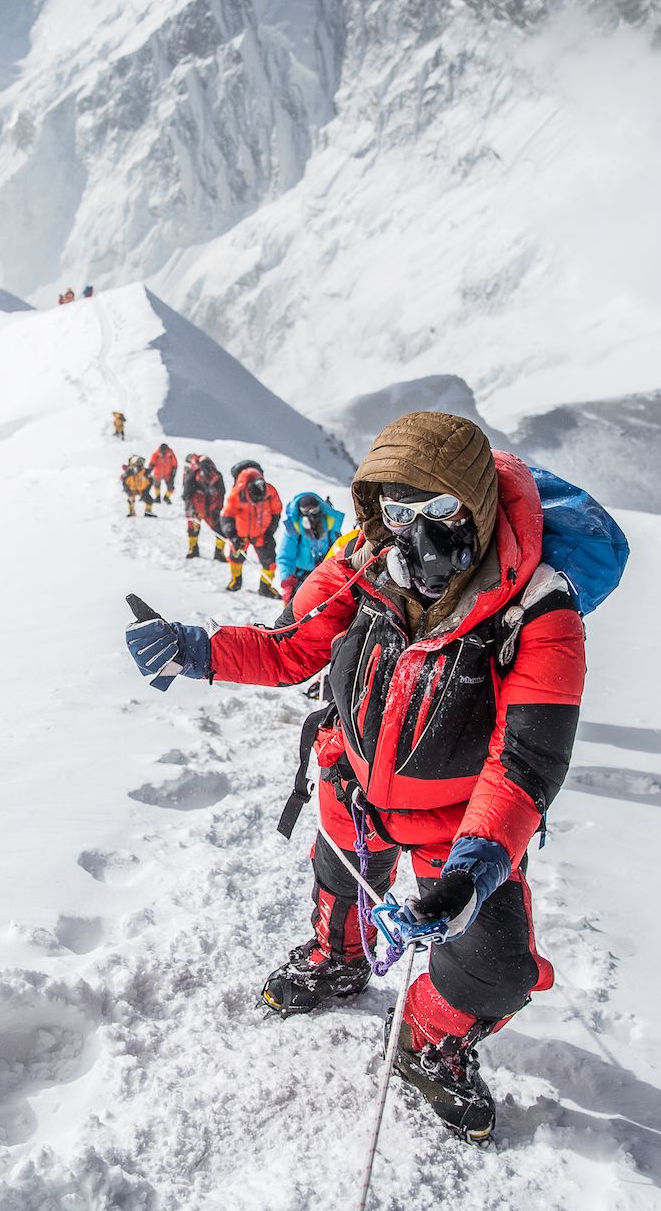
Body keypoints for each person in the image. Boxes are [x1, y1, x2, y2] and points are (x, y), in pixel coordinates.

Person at [123, 412, 586, 1145]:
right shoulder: (369, 563)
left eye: (438, 510)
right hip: (356, 791)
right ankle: (338, 962)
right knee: (341, 886)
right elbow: (289, 645)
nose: (416, 532)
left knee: (497, 968)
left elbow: (525, 761)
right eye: (397, 511)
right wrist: (195, 650)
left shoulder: (540, 608)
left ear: (477, 505)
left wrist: (472, 870)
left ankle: (431, 1039)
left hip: (463, 828)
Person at [272, 492, 348, 624]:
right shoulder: (294, 529)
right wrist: (287, 581)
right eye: (306, 511)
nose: (311, 515)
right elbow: (285, 557)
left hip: (322, 575)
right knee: (296, 613)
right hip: (299, 577)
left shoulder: (328, 525)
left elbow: (336, 548)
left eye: (314, 510)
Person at [219, 462, 282, 598]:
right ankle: (236, 581)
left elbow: (276, 511)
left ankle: (265, 587)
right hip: (240, 534)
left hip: (262, 533)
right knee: (235, 557)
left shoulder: (270, 491)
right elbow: (226, 515)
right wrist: (233, 536)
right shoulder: (237, 493)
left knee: (270, 561)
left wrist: (270, 532)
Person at [181, 453, 228, 560]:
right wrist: (190, 509)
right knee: (196, 528)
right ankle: (197, 550)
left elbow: (221, 495)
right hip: (202, 508)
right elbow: (187, 495)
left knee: (218, 530)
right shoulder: (194, 476)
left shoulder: (215, 478)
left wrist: (218, 510)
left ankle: (213, 552)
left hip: (205, 508)